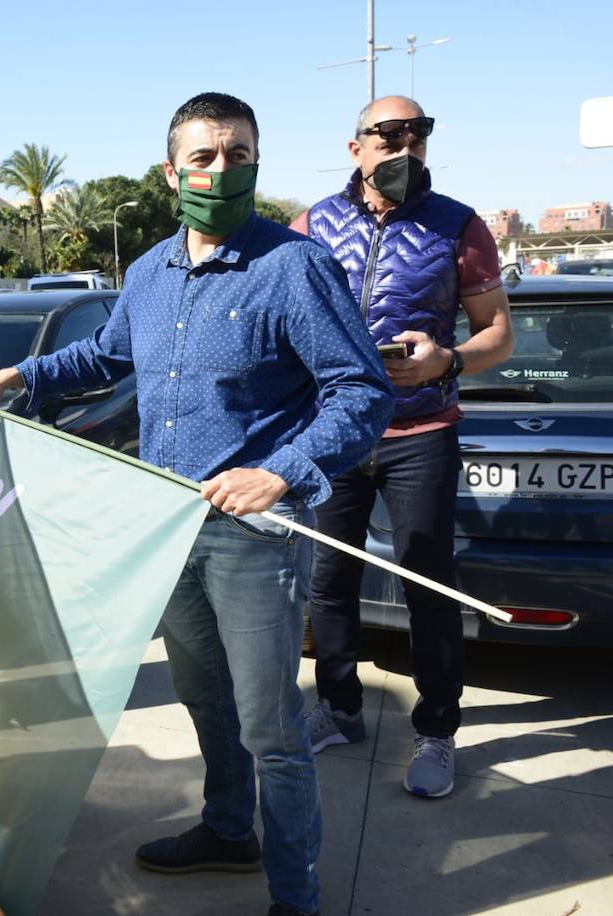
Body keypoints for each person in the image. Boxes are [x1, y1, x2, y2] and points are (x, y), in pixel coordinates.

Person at [0, 93, 394, 916]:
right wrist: (14, 377)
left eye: (240, 154)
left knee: (272, 730)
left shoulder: (293, 268)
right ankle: (227, 831)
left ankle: (297, 898)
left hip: (252, 535)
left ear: (258, 161)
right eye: (205, 157)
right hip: (166, 530)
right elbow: (105, 355)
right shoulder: (148, 272)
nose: (223, 171)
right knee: (205, 698)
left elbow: (362, 392)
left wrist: (283, 470)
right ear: (171, 171)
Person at [293, 96, 513, 799]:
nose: (406, 146)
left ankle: (437, 732)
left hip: (423, 433)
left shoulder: (460, 224)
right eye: (390, 134)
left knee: (426, 581)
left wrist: (445, 361)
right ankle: (338, 707)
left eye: (419, 134)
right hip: (336, 432)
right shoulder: (310, 226)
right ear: (354, 146)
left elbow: (498, 335)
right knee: (328, 581)